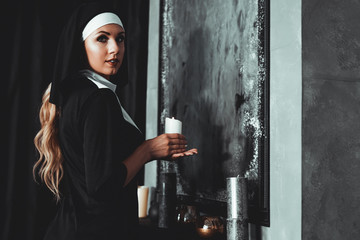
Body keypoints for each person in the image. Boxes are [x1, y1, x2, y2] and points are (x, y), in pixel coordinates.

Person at [33, 2, 197, 240]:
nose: (115, 49)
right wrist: (148, 150)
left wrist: (157, 149)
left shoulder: (78, 93)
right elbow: (102, 187)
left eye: (120, 39)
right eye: (102, 38)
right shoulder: (100, 98)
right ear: (82, 45)